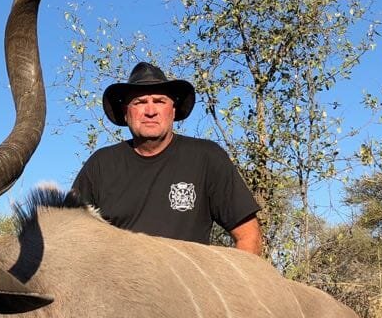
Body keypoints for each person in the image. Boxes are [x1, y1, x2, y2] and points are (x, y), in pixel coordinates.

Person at [71, 62, 263, 255]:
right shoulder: (100, 165)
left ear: (173, 111)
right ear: (125, 113)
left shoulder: (206, 157)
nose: (150, 111)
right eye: (139, 102)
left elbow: (249, 237)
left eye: (159, 101)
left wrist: (224, 285)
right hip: (120, 282)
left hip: (187, 283)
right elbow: (72, 240)